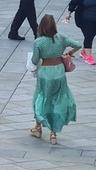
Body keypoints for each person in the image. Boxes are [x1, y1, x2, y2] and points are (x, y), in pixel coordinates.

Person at [30, 15, 80, 145]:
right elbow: (78, 44)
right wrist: (69, 53)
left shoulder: (38, 42)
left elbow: (34, 60)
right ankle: (53, 133)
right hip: (59, 71)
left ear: (41, 27)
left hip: (45, 73)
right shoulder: (61, 38)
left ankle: (38, 127)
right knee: (57, 99)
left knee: (41, 97)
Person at [63, 0, 96, 65]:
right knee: (89, 35)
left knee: (91, 35)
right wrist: (69, 13)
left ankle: (84, 51)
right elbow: (74, 2)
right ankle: (88, 56)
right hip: (84, 18)